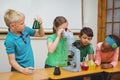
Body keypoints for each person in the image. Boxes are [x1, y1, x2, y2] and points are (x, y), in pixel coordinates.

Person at [4, 9, 45, 74]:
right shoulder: (9, 40)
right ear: (12, 26)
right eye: (22, 23)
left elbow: (41, 34)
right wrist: (23, 70)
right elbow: (12, 61)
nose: (24, 24)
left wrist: (40, 25)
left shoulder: (25, 29)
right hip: (18, 71)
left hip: (30, 68)